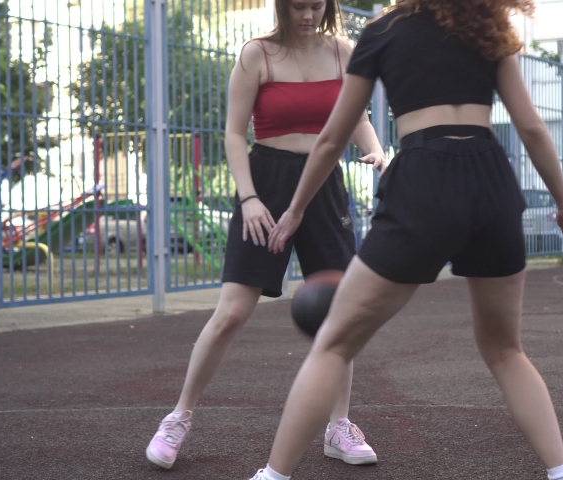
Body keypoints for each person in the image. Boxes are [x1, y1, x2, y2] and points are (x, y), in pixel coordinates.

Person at [248, 1, 563, 479]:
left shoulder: (384, 30)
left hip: (425, 179)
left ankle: (273, 476)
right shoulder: (488, 25)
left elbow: (331, 139)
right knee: (506, 349)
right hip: (491, 181)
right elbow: (530, 126)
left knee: (334, 342)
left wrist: (297, 208)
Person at [144, 0, 387, 471]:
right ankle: (178, 417)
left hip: (324, 183)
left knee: (339, 311)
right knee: (232, 311)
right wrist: (249, 198)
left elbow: (354, 118)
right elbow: (234, 134)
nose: (307, 15)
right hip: (266, 182)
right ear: (282, 6)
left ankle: (339, 426)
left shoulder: (343, 53)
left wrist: (376, 150)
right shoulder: (257, 55)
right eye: (298, 6)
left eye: (316, 5)